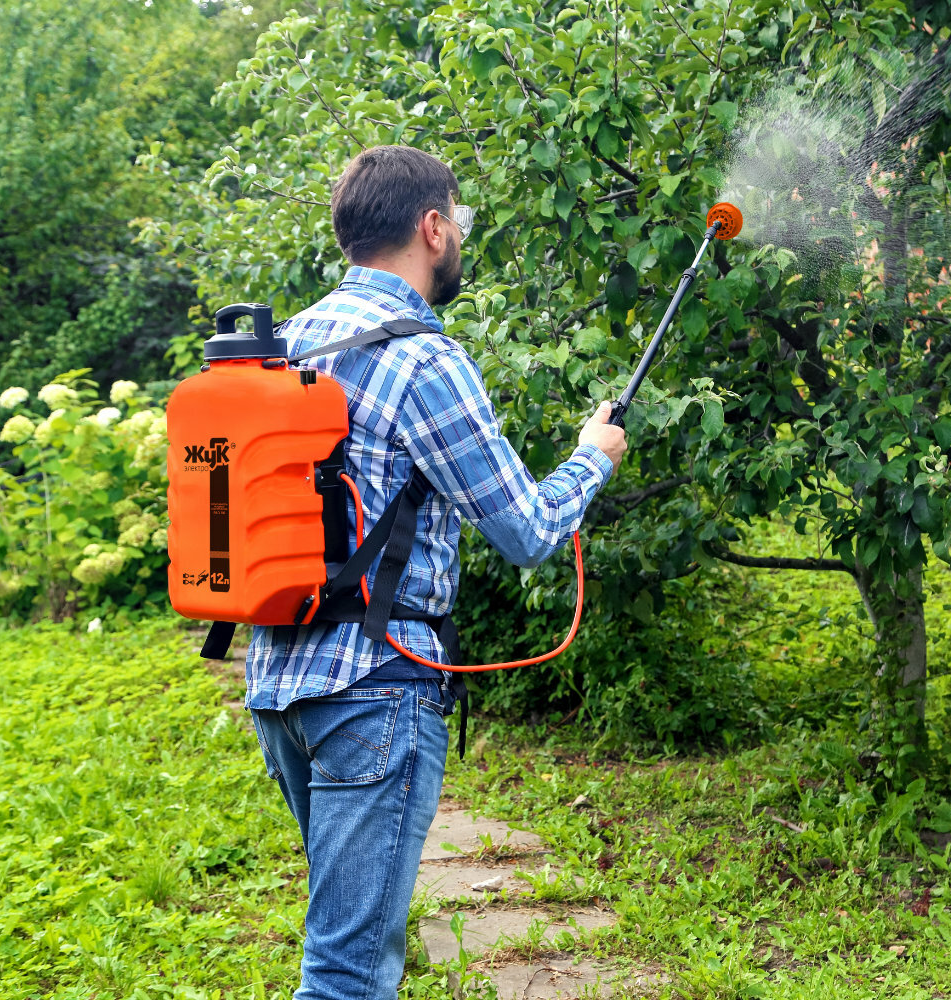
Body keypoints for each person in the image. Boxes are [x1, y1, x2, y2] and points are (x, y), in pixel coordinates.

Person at [245, 145, 627, 1000]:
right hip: (376, 693)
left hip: (279, 687)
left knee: (351, 939)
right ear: (432, 226)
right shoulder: (425, 359)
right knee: (345, 972)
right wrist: (590, 458)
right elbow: (528, 530)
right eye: (458, 220)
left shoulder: (286, 343)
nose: (460, 235)